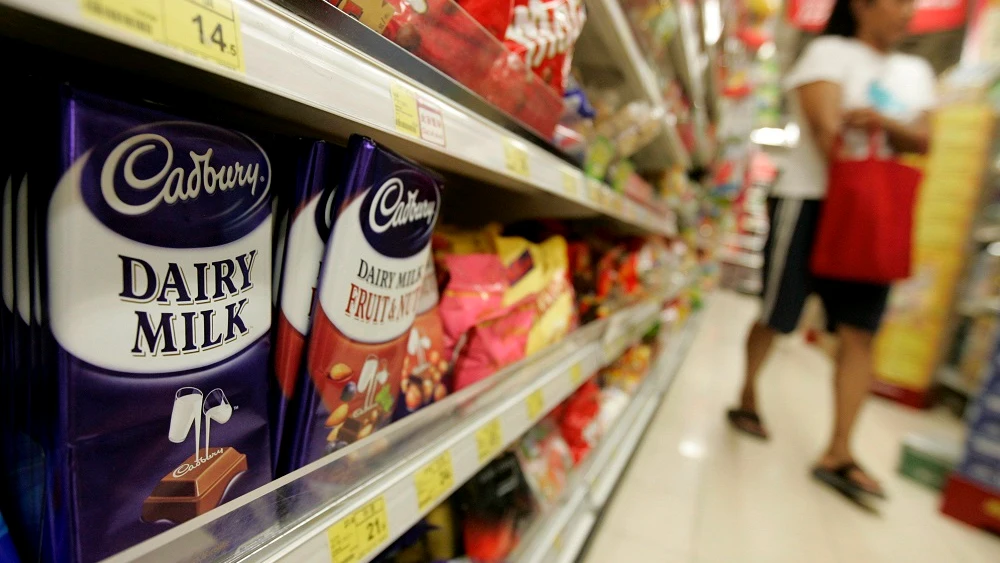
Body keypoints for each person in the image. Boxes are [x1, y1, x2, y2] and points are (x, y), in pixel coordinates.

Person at [726, 0, 935, 498]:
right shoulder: (828, 53)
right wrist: (878, 147)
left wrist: (878, 120)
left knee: (860, 332)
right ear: (862, 6)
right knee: (780, 313)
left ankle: (840, 449)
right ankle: (748, 394)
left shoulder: (916, 70)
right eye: (898, 2)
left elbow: (926, 139)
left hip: (874, 214)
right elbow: (826, 132)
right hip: (811, 201)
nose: (908, 13)